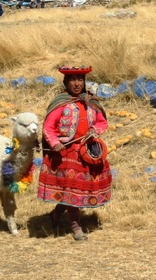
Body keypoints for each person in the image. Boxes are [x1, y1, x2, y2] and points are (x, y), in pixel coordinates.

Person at [37, 66, 112, 241]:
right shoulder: (60, 103)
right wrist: (54, 143)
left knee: (75, 189)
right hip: (66, 153)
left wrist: (95, 130)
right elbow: (48, 127)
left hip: (88, 150)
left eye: (80, 80)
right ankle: (75, 225)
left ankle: (56, 213)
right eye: (73, 80)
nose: (77, 84)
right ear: (66, 82)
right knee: (71, 189)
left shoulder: (90, 101)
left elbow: (102, 122)